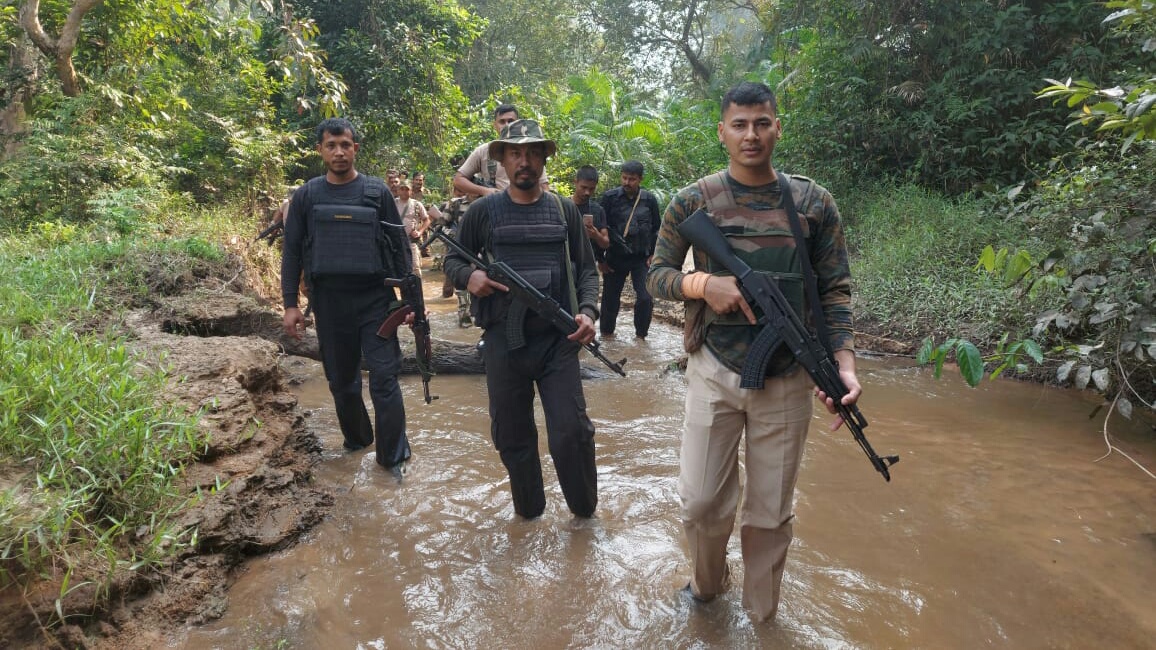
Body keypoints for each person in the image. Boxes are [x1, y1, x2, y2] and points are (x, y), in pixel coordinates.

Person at [645, 81, 859, 621]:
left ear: (777, 128)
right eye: (739, 125)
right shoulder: (692, 200)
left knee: (769, 516)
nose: (751, 135)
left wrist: (845, 365)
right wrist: (702, 286)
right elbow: (656, 276)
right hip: (713, 369)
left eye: (762, 123)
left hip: (787, 379)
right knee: (699, 503)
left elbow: (835, 290)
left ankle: (763, 619)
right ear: (722, 132)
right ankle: (706, 591)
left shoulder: (813, 202)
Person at [442, 119, 601, 519]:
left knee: (572, 432)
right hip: (502, 342)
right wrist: (470, 276)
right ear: (502, 161)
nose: (524, 161)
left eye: (533, 153)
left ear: (544, 159)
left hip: (558, 342)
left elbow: (586, 271)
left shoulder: (564, 210)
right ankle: (529, 517)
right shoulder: (482, 211)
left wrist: (587, 311)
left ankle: (585, 518)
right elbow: (452, 259)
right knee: (512, 437)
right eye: (516, 153)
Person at [281, 117, 414, 471]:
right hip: (329, 303)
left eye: (345, 145)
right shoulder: (307, 196)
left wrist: (412, 302)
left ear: (355, 148)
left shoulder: (376, 193)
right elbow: (292, 250)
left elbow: (399, 247)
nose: (339, 152)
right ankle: (358, 442)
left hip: (376, 301)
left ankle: (393, 460)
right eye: (331, 145)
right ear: (320, 151)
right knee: (342, 384)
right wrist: (290, 305)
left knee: (385, 379)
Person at [598, 160, 660, 339]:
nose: (627, 182)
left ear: (640, 179)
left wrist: (653, 253)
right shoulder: (610, 198)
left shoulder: (649, 200)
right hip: (615, 257)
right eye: (624, 178)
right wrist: (600, 260)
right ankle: (606, 336)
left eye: (631, 179)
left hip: (641, 258)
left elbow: (657, 228)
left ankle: (641, 338)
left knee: (645, 298)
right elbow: (601, 228)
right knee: (610, 299)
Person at [452, 104, 547, 198]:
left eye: (510, 121)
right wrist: (485, 191)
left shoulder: (531, 152)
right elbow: (458, 180)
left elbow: (544, 187)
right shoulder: (484, 151)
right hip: (492, 207)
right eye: (502, 122)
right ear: (495, 125)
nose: (506, 125)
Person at [395, 180, 429, 276]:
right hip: (395, 242)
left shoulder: (417, 204)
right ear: (398, 191)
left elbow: (427, 220)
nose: (404, 191)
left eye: (407, 189)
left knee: (415, 268)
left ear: (411, 192)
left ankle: (416, 289)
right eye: (402, 189)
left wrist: (420, 232)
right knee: (396, 269)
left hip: (411, 241)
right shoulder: (393, 203)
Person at [572, 165, 608, 253]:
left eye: (592, 189)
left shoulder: (598, 210)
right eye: (584, 187)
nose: (587, 192)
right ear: (575, 182)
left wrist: (596, 235)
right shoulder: (562, 206)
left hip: (589, 261)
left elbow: (606, 243)